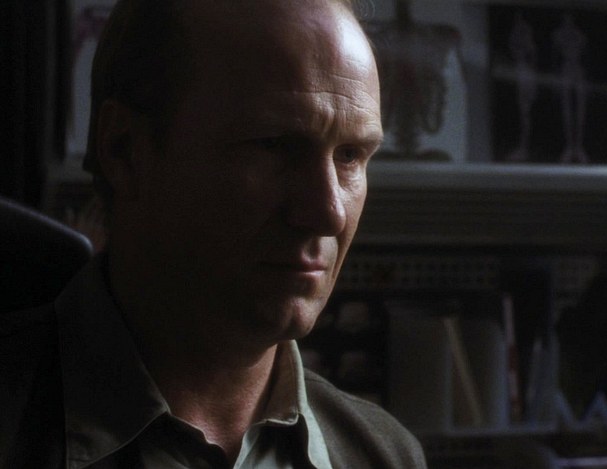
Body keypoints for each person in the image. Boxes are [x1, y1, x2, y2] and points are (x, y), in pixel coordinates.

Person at [0, 0, 427, 467]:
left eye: (350, 156)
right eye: (274, 145)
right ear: (124, 150)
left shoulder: (384, 455)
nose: (329, 213)